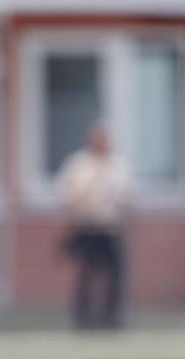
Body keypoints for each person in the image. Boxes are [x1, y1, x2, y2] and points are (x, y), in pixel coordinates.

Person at [57, 122, 131, 330]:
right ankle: (83, 318)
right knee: (86, 275)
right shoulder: (79, 164)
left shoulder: (118, 165)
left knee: (115, 275)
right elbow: (68, 194)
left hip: (111, 228)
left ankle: (112, 316)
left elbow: (127, 195)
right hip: (87, 227)